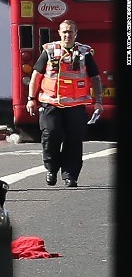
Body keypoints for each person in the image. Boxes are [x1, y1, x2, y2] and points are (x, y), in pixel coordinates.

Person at [26, 19, 103, 188]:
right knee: (51, 134)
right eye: (64, 32)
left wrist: (98, 101)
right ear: (59, 33)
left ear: (76, 34)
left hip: (75, 105)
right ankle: (52, 169)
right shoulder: (49, 50)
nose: (67, 35)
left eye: (71, 32)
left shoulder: (85, 53)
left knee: (74, 139)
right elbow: (36, 76)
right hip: (50, 103)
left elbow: (95, 78)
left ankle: (70, 175)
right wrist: (31, 99)